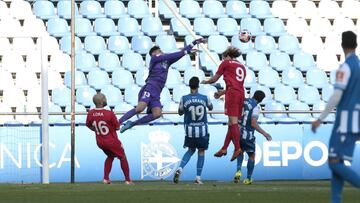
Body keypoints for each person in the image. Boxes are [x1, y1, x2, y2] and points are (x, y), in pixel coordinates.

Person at [311, 31, 360, 203]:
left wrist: (320, 118)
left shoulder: (345, 67)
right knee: (337, 163)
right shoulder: (359, 66)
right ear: (356, 44)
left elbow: (336, 96)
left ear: (342, 45)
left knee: (333, 162)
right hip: (355, 121)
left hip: (345, 121)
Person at [119, 39, 205, 133]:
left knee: (157, 114)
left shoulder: (167, 62)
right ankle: (118, 122)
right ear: (155, 53)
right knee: (140, 108)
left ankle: (132, 123)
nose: (162, 52)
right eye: (159, 51)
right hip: (150, 87)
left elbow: (179, 54)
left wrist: (195, 42)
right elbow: (174, 55)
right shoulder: (154, 58)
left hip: (157, 92)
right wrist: (186, 51)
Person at [202, 46, 246, 161]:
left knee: (233, 122)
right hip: (241, 94)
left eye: (223, 58)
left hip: (232, 95)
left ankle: (237, 148)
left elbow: (214, 79)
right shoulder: (242, 66)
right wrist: (222, 92)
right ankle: (224, 148)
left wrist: (206, 81)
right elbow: (237, 84)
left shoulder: (225, 63)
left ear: (227, 56)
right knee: (231, 124)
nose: (222, 60)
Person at [173, 77, 213, 185]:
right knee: (201, 151)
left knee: (191, 150)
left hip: (190, 130)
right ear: (198, 86)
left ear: (189, 86)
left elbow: (180, 112)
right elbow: (211, 108)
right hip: (202, 130)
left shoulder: (184, 98)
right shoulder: (205, 98)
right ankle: (198, 177)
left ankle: (180, 168)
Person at [86, 93, 132, 185]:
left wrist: (96, 130)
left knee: (110, 156)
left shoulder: (90, 113)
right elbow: (117, 128)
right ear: (102, 101)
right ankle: (128, 180)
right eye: (105, 98)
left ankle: (106, 179)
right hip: (111, 141)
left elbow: (88, 125)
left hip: (100, 142)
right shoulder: (109, 113)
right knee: (122, 157)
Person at [232, 90, 272, 185]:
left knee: (239, 151)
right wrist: (264, 133)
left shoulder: (244, 101)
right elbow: (253, 123)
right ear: (261, 100)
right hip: (247, 134)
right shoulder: (255, 107)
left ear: (253, 95)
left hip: (237, 131)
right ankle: (248, 178)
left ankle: (238, 170)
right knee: (251, 156)